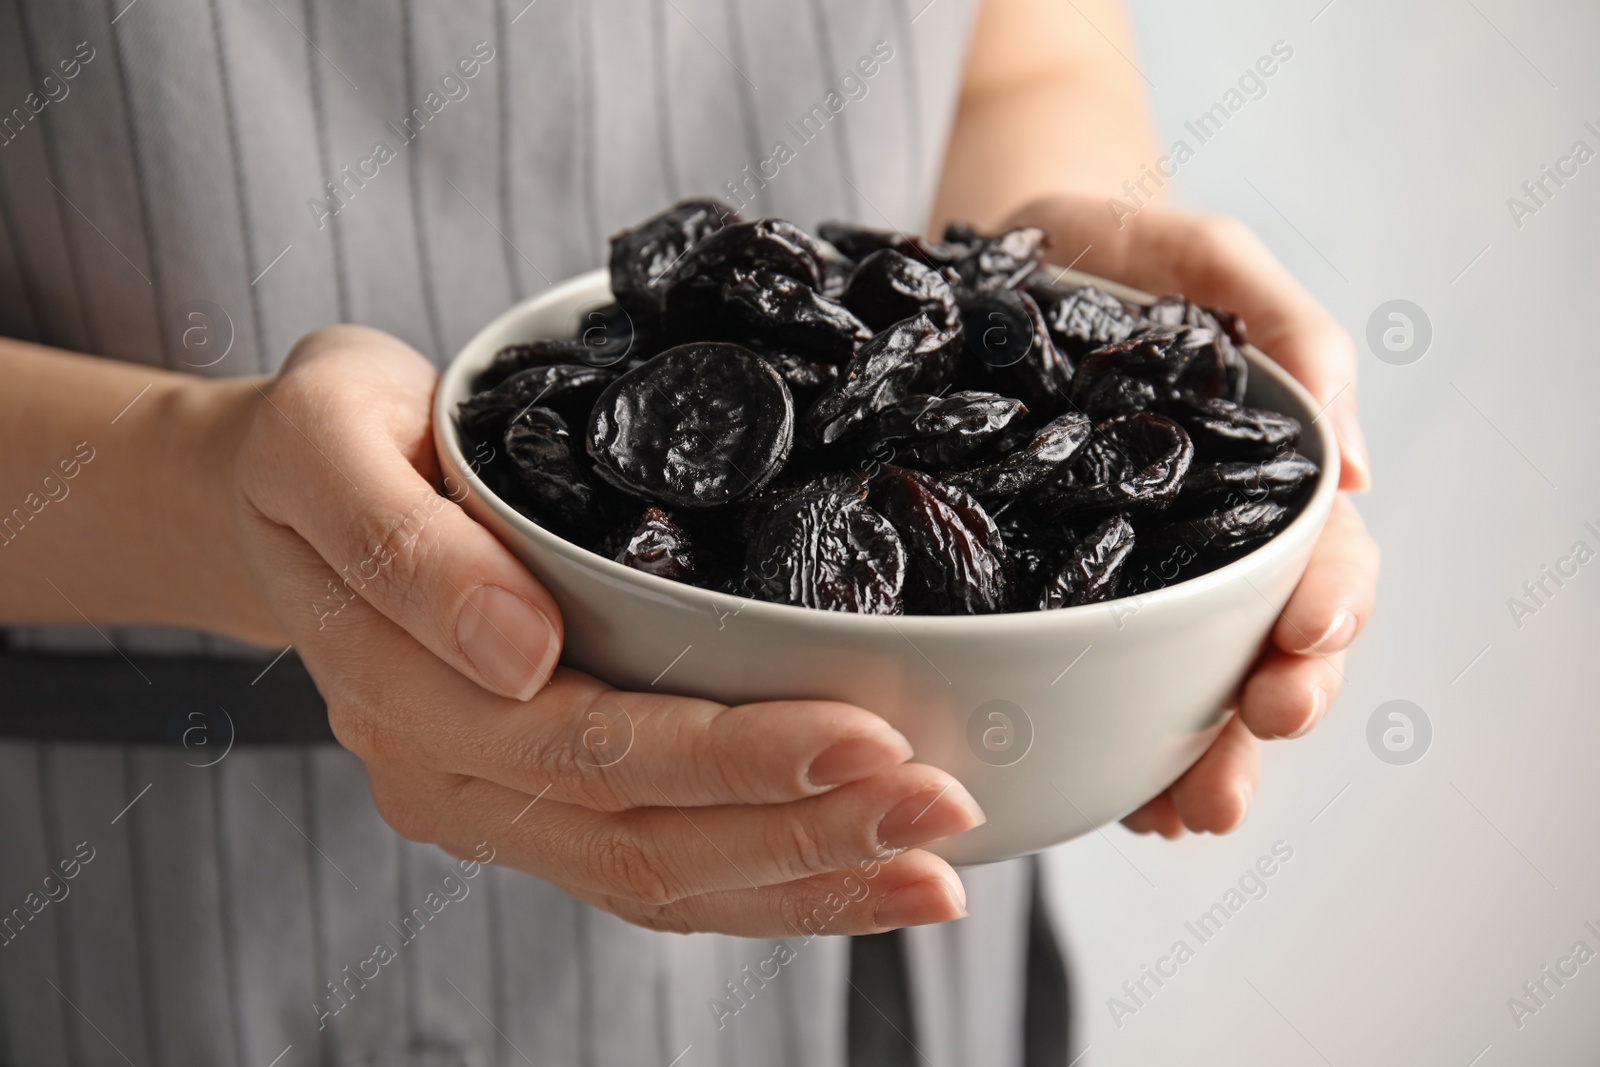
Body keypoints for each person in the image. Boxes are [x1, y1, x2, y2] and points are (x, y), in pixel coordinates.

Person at [0, 0, 1378, 1063]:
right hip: (170, 892)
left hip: (905, 901)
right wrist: (208, 491)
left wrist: (1064, 259)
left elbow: (1016, 47)